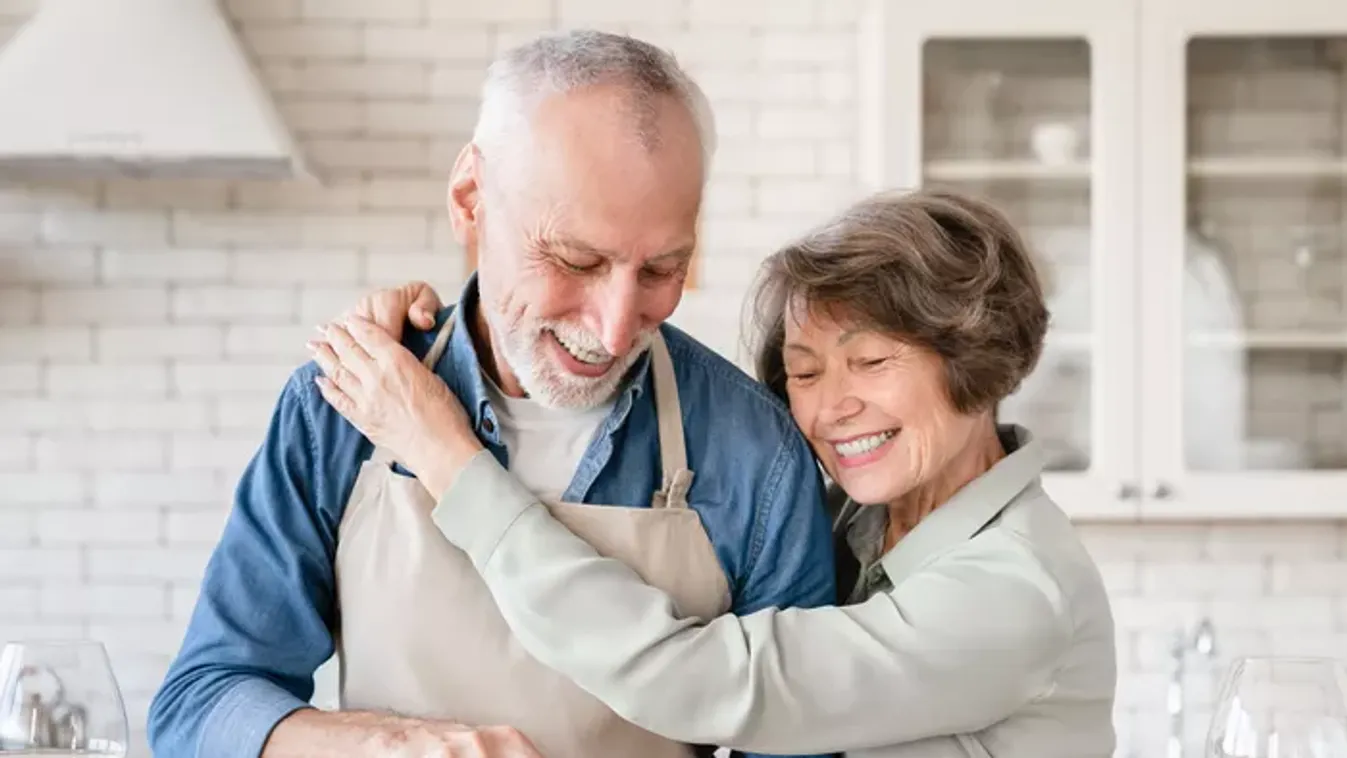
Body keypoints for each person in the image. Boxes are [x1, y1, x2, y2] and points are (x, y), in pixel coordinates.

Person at [146, 29, 837, 758]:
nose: (611, 328)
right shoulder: (342, 407)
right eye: (575, 259)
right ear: (471, 200)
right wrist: (392, 747)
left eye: (662, 269)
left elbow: (797, 745)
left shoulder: (757, 454)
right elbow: (202, 706)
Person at [309, 189, 1119, 758]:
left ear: (974, 359)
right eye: (803, 373)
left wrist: (450, 460)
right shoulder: (864, 519)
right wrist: (453, 328)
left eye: (870, 361)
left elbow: (700, 678)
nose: (832, 408)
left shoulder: (1012, 592)